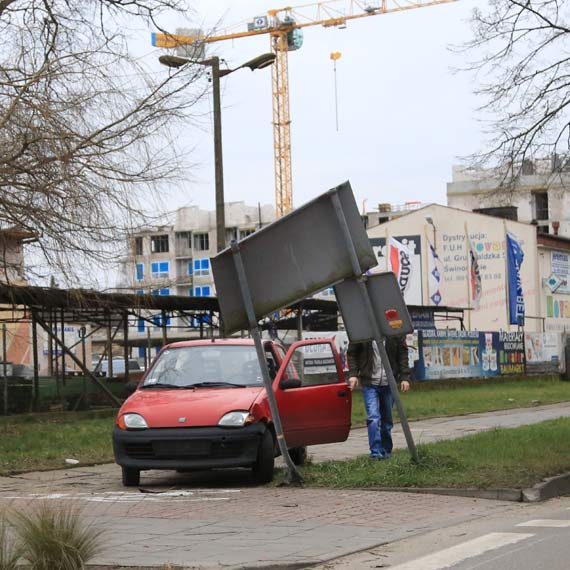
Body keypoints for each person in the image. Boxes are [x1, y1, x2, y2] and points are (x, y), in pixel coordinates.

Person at [347, 337, 410, 460]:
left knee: (387, 422)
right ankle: (375, 453)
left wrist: (404, 377)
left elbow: (403, 355)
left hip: (389, 384)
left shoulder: (393, 334)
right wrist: (353, 375)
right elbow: (352, 353)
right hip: (370, 383)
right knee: (373, 418)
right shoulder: (363, 335)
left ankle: (386, 452)